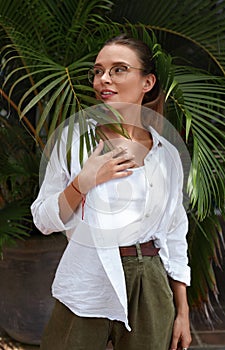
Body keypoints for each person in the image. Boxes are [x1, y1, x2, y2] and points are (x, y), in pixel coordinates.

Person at [31, 34, 192, 350]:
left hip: (151, 283)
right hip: (87, 281)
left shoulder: (166, 154)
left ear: (147, 82)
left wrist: (182, 310)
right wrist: (83, 182)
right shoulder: (74, 142)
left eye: (119, 69)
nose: (103, 79)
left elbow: (174, 234)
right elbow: (43, 220)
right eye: (98, 71)